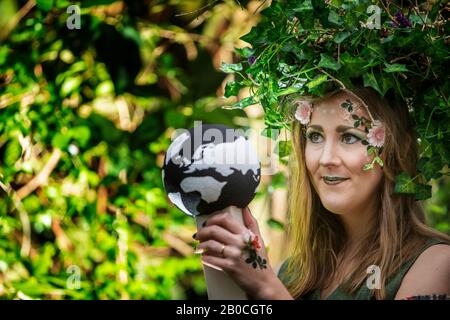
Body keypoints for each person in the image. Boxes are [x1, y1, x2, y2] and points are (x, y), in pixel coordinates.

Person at [193, 86, 450, 300]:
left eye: (349, 137)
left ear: (397, 149)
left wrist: (266, 289)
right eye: (315, 136)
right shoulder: (291, 273)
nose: (326, 158)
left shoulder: (435, 265)